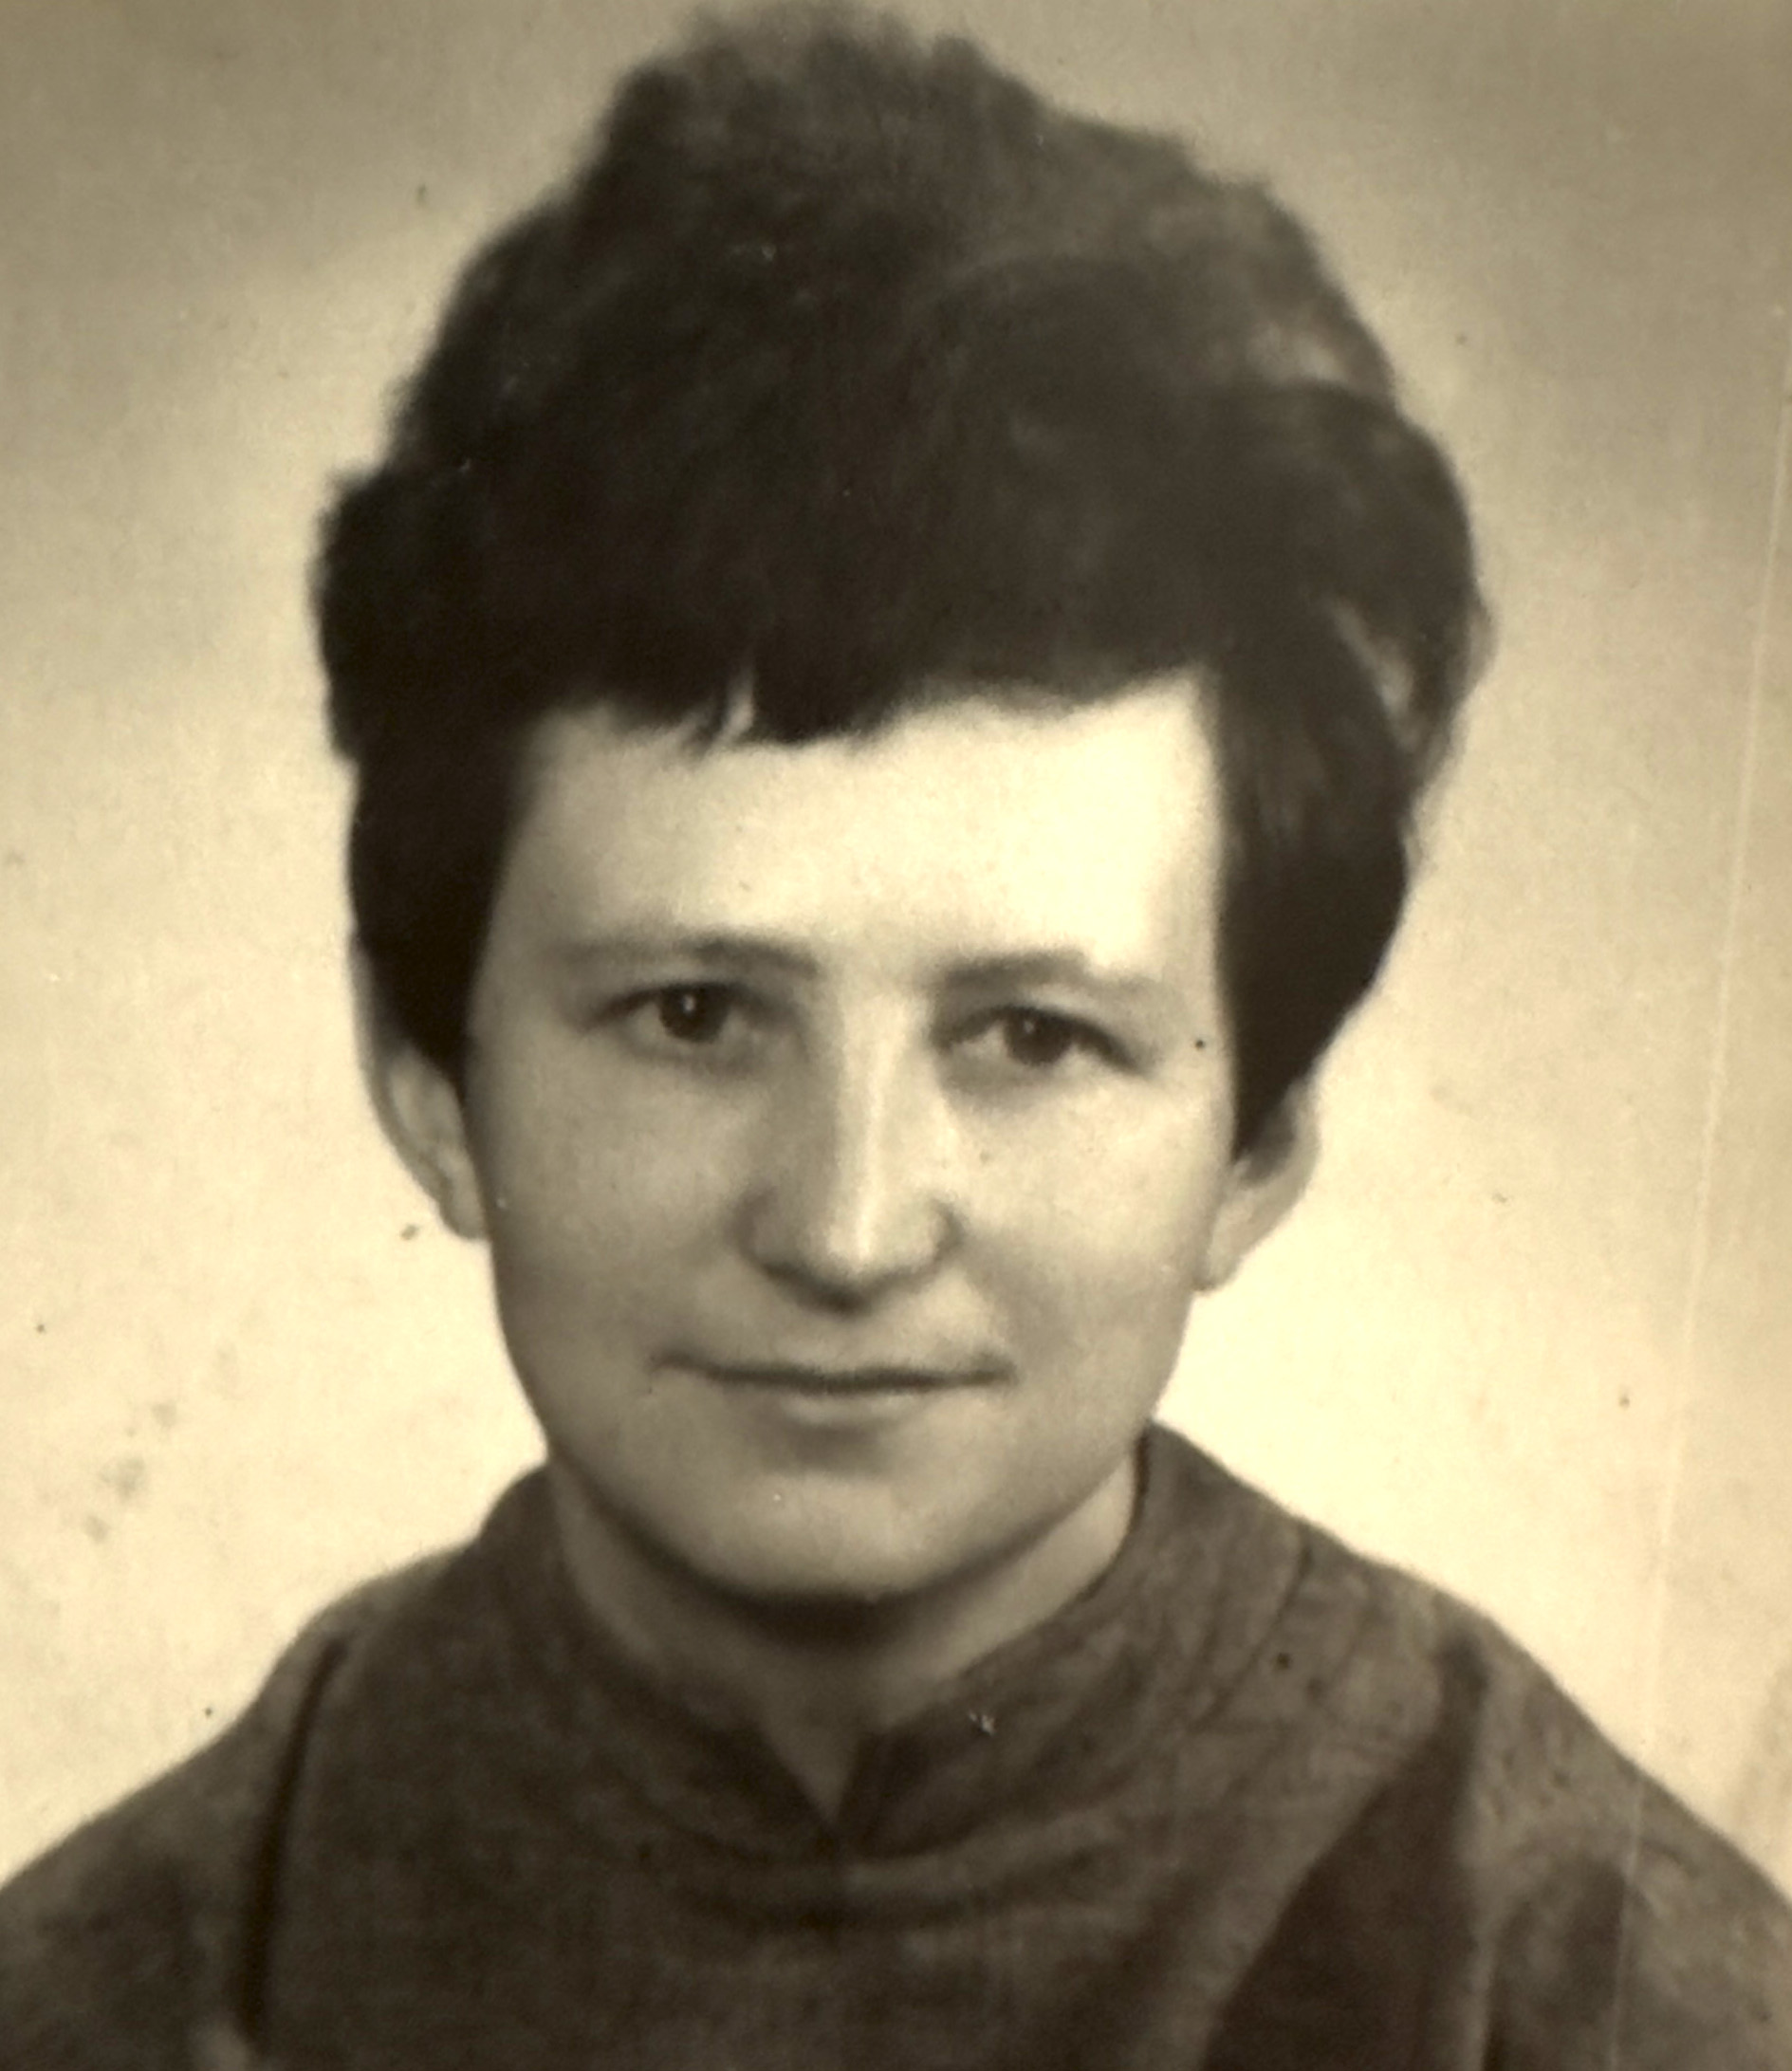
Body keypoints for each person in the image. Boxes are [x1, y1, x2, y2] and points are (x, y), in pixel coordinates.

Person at [2, 6, 1787, 2064]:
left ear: (1261, 1137)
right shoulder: (127, 1990)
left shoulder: (1587, 1986)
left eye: (1028, 1035)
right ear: (431, 1080)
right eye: (693, 1015)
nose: (848, 1231)